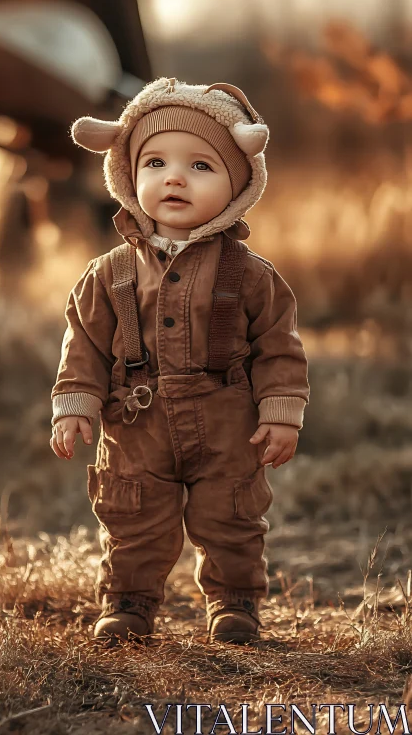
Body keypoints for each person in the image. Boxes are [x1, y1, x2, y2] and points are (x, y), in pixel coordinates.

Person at [50, 77, 310, 646]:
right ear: (127, 174)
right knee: (132, 516)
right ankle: (129, 604)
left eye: (200, 166)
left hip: (228, 425)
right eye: (156, 162)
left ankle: (234, 603)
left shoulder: (251, 275)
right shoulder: (108, 272)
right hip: (135, 422)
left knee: (232, 516)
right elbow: (85, 345)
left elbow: (278, 345)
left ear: (238, 184)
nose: (173, 177)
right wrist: (75, 404)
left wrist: (281, 411)